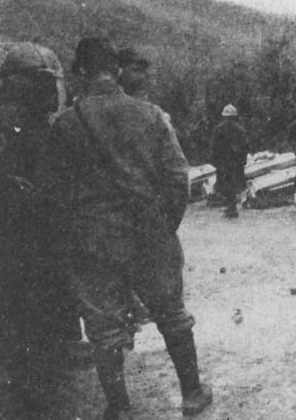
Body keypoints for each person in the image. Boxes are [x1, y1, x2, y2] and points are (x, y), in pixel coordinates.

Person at [44, 37, 213, 419]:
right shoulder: (151, 115)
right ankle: (192, 394)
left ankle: (119, 408)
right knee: (171, 313)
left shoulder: (64, 125)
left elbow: (55, 192)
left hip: (93, 241)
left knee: (104, 329)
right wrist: (163, 227)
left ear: (80, 73)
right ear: (117, 70)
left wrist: (78, 233)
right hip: (149, 232)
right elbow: (178, 178)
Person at [0, 43, 79, 418]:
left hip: (36, 238)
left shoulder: (41, 124)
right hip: (4, 238)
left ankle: (36, 385)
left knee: (38, 318)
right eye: (38, 84)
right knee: (11, 317)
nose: (46, 94)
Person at [211, 104, 249, 218]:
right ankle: (232, 208)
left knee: (225, 185)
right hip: (235, 163)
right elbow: (245, 147)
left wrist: (215, 161)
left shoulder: (219, 129)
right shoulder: (240, 129)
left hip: (224, 163)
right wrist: (243, 161)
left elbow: (214, 147)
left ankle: (230, 207)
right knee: (234, 185)